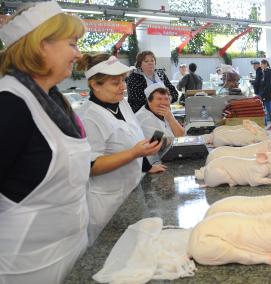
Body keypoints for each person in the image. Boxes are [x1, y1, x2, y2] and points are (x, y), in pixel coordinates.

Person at [0, 2, 90, 283]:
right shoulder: (10, 104)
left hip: (70, 251)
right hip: (27, 264)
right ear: (41, 45)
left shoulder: (51, 99)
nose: (78, 54)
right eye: (72, 44)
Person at [76, 54, 165, 244]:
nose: (123, 87)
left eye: (123, 81)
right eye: (115, 83)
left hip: (131, 192)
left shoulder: (121, 104)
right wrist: (134, 153)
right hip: (107, 204)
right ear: (95, 84)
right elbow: (91, 166)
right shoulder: (89, 117)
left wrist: (146, 165)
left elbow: (131, 138)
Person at [259, 59, 271, 130]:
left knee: (269, 110)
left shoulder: (268, 72)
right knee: (267, 110)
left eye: (262, 64)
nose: (261, 65)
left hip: (267, 94)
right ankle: (268, 124)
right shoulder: (266, 72)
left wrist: (263, 94)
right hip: (266, 94)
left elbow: (267, 85)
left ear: (265, 64)